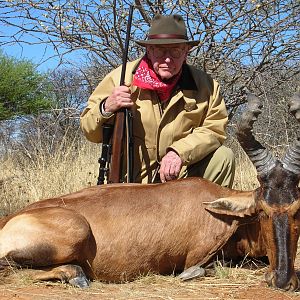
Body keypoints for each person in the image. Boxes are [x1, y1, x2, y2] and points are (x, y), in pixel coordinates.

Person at [80, 14, 235, 187]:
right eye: (160, 50)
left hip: (179, 181)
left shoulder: (207, 86)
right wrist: (106, 107)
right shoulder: (120, 77)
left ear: (186, 52)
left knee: (223, 157)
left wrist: (179, 152)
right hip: (130, 185)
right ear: (149, 50)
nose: (167, 59)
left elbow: (214, 130)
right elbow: (89, 131)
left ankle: (201, 214)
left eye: (175, 51)